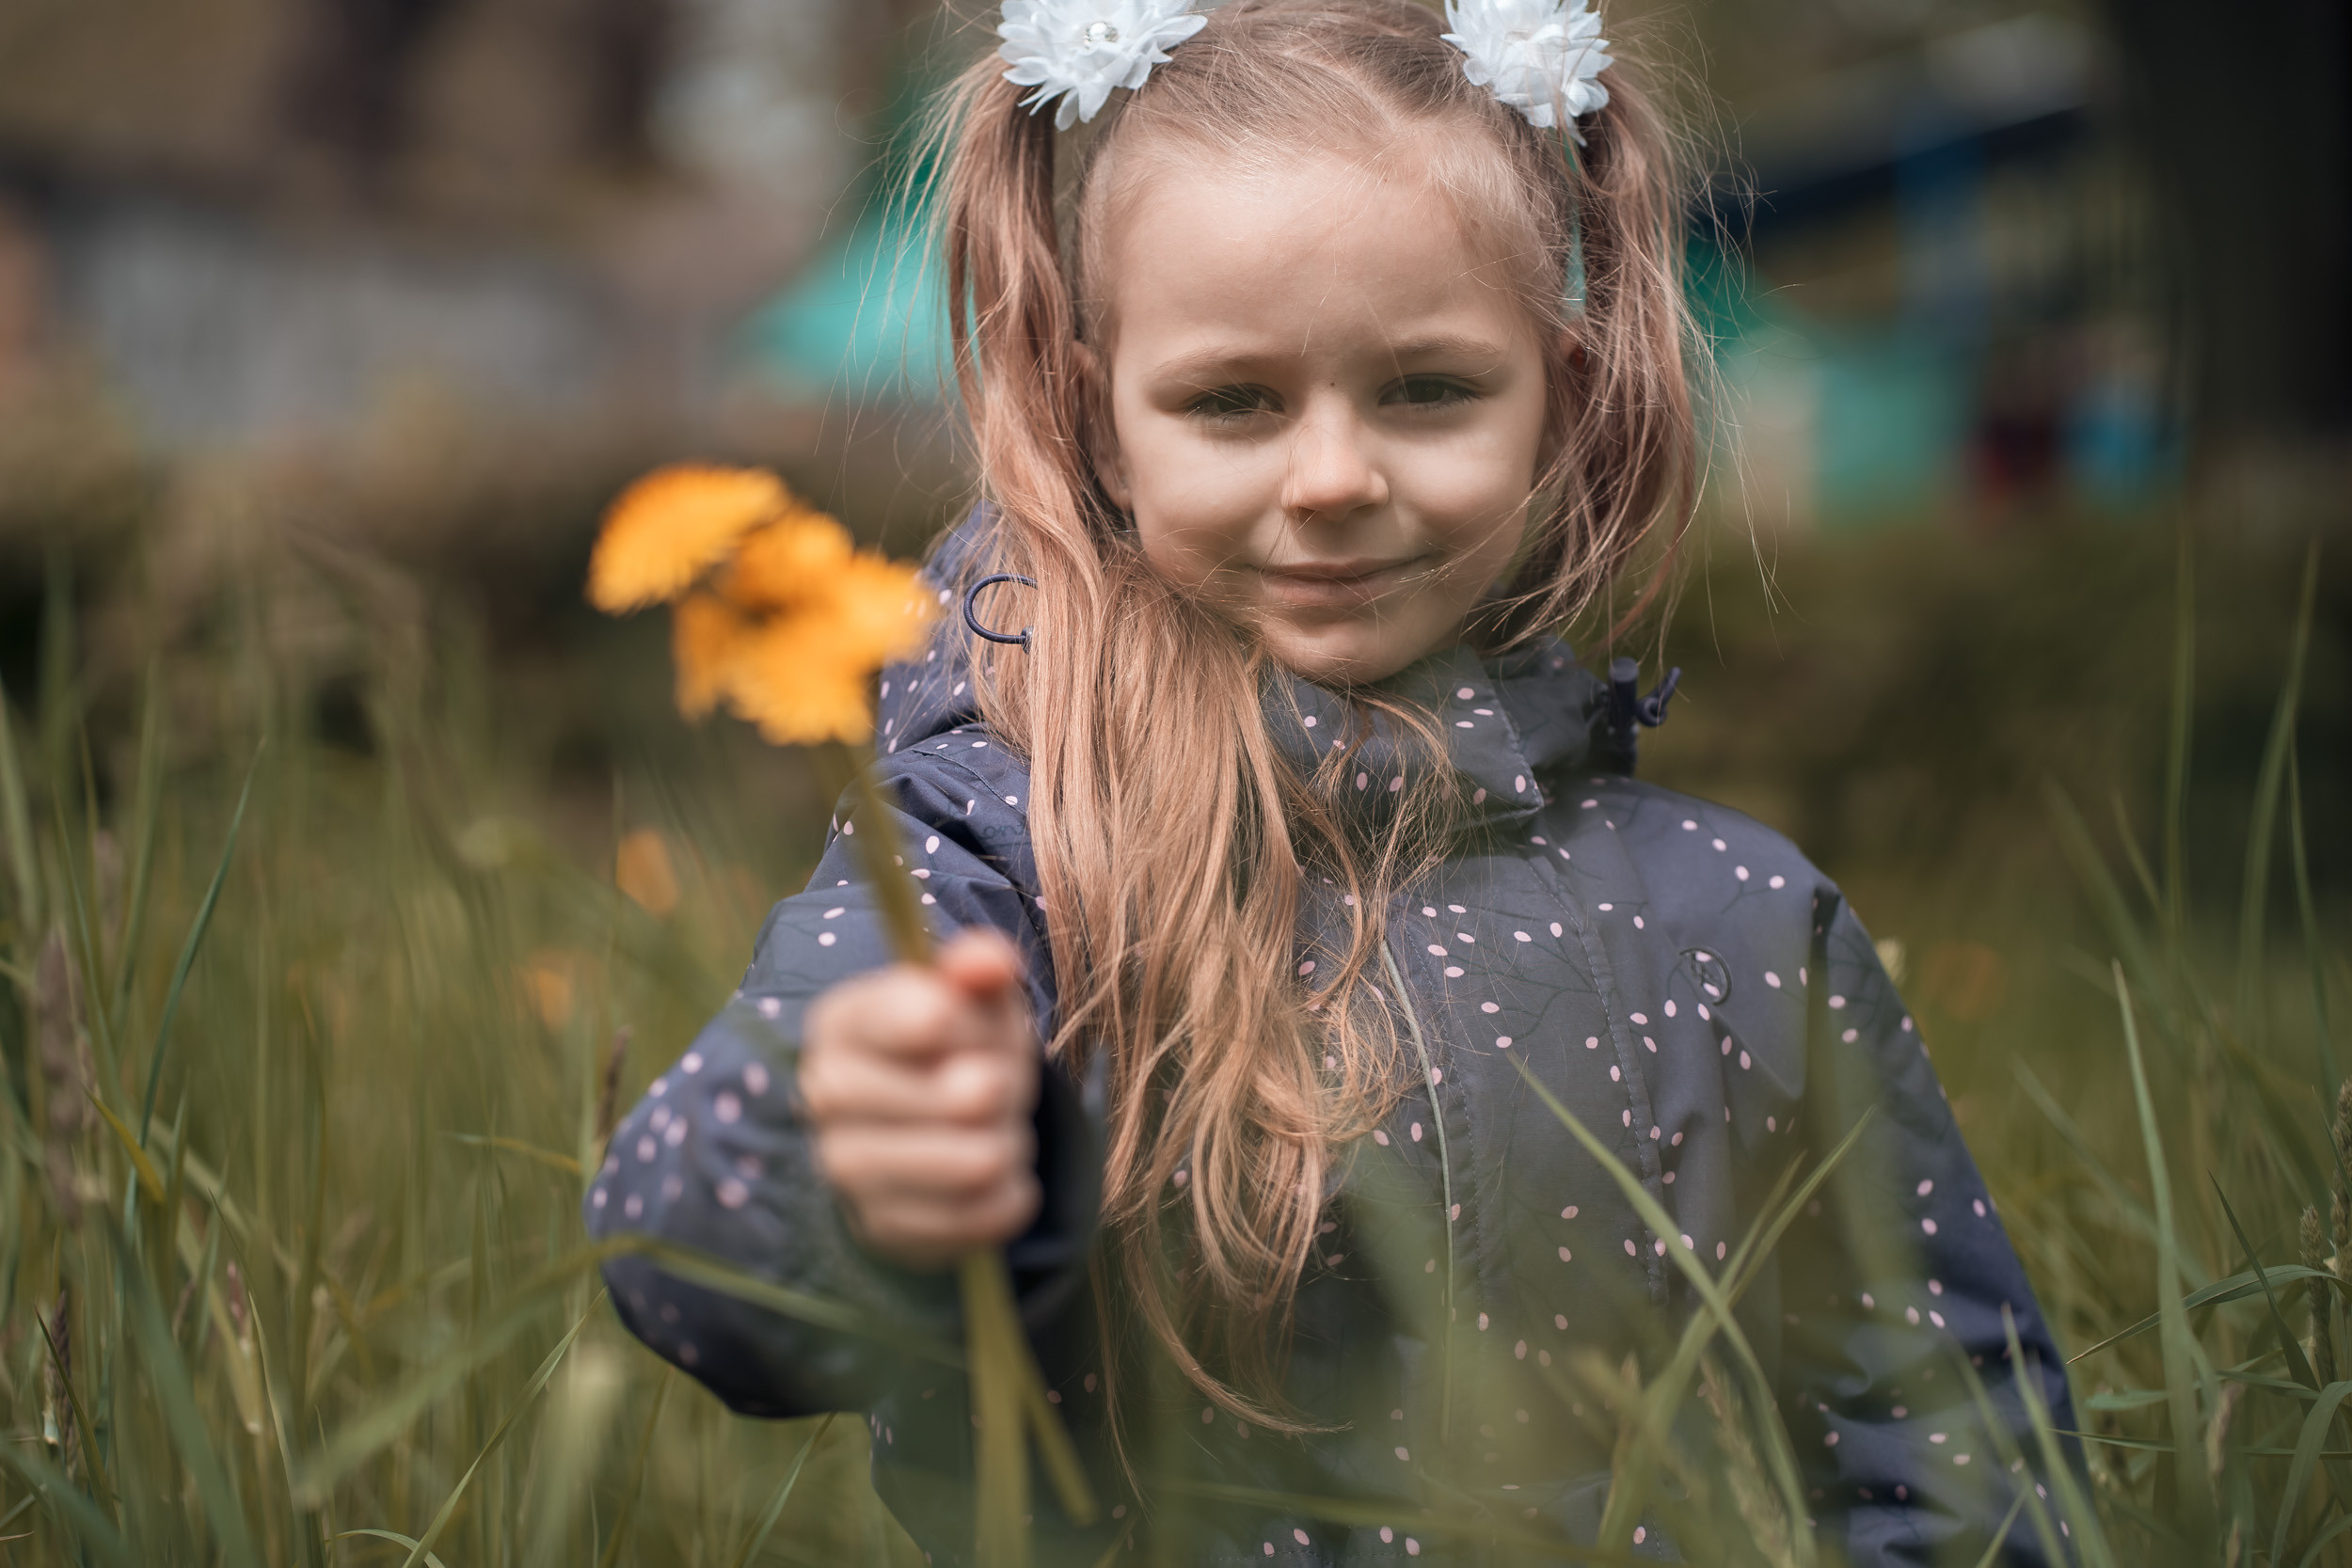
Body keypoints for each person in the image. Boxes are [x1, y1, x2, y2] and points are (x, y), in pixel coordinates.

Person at [588, 2, 2077, 1561]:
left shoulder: (1741, 921)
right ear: (1100, 420)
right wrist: (845, 1158)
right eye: (1233, 401)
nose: (1333, 479)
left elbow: (1957, 1452)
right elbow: (692, 1259)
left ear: (1560, 397)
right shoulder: (1004, 854)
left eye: (1429, 390)